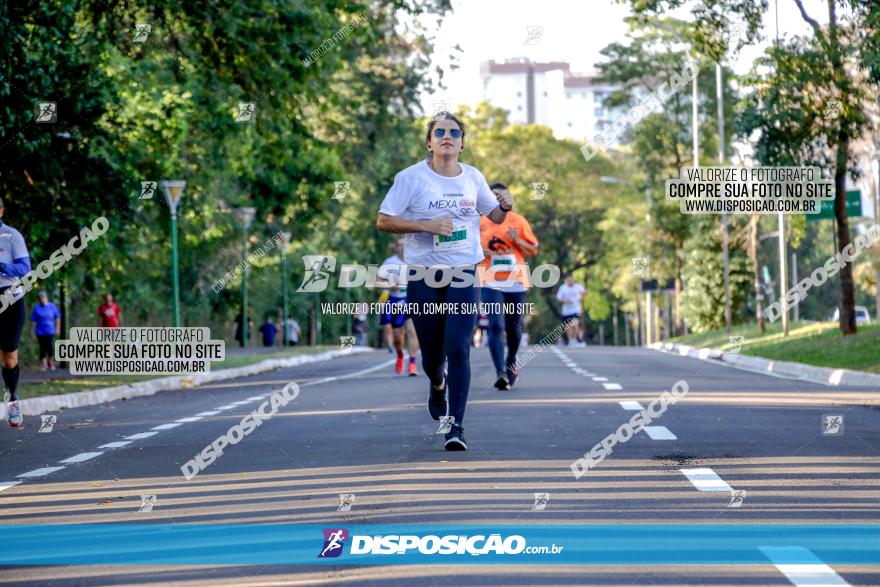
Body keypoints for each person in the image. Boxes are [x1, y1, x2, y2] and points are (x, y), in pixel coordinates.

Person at [376, 111, 512, 450]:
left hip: (465, 268)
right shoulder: (410, 178)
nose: (447, 136)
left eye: (454, 132)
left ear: (462, 143)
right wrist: (425, 225)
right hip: (424, 271)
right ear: (429, 142)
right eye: (440, 132)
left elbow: (491, 213)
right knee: (432, 355)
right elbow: (384, 220)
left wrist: (504, 208)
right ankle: (437, 383)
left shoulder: (473, 178)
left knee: (458, 347)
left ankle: (456, 426)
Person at [479, 183, 539, 390]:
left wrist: (516, 241)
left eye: (500, 195)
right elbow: (467, 249)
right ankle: (501, 373)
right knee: (495, 325)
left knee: (513, 328)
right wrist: (482, 253)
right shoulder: (480, 221)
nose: (497, 199)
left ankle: (511, 360)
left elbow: (533, 251)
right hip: (489, 278)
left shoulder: (518, 220)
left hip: (515, 279)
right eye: (492, 195)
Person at [0, 197, 30, 427]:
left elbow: (24, 268)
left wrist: (2, 266)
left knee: (9, 356)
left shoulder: (12, 236)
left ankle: (12, 397)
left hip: (11, 297)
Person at [377, 238, 419, 375]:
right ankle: (400, 354)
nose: (401, 247)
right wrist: (390, 286)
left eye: (404, 245)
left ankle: (412, 364)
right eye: (399, 245)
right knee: (397, 337)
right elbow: (378, 281)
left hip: (412, 299)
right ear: (396, 247)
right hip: (395, 300)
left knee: (413, 332)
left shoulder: (416, 259)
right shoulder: (389, 262)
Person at [30, 291, 61, 371]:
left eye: (43, 298)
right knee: (42, 347)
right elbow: (33, 320)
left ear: (46, 298)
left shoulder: (52, 306)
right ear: (38, 300)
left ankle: (50, 361)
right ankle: (43, 364)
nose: (42, 300)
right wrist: (32, 331)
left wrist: (57, 328)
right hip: (40, 331)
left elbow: (57, 317)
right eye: (40, 298)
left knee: (50, 346)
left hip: (50, 330)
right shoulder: (36, 308)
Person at [556, 274, 586, 347]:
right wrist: (566, 301)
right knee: (568, 326)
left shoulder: (578, 287)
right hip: (566, 311)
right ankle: (570, 341)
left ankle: (575, 339)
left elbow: (583, 293)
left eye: (571, 279)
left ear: (573, 280)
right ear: (566, 280)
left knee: (575, 324)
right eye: (568, 280)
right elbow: (559, 299)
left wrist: (581, 299)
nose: (570, 281)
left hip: (575, 310)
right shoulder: (563, 288)